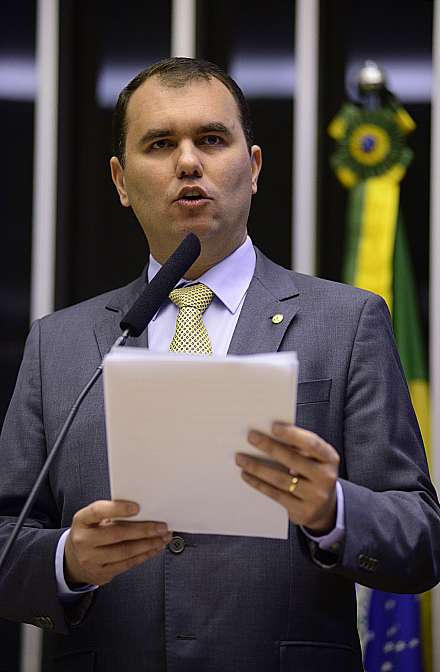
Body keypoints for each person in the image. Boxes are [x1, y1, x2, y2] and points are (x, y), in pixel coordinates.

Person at [0, 57, 439, 672]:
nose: (188, 162)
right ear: (120, 180)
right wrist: (67, 561)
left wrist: (332, 510)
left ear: (253, 167)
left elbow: (421, 540)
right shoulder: (59, 344)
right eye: (160, 144)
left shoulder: (348, 322)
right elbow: (6, 539)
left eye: (211, 139)